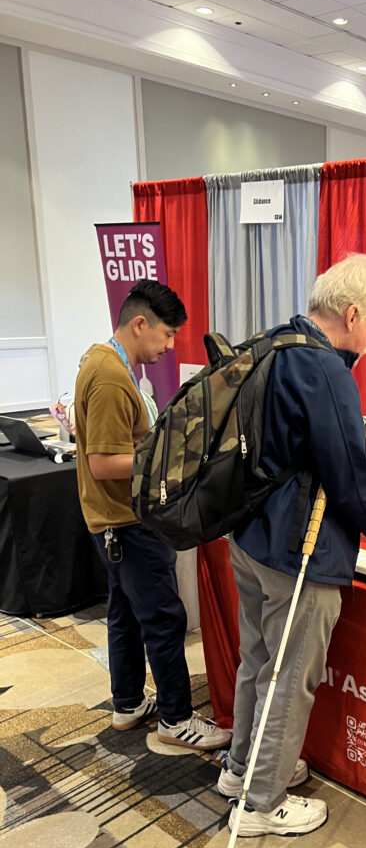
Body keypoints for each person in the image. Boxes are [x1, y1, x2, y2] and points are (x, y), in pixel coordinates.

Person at [214, 253, 366, 838]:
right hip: (300, 551)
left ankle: (241, 771)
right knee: (290, 676)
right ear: (352, 312)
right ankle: (261, 804)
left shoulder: (274, 342)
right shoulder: (326, 370)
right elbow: (351, 477)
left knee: (259, 662)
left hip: (251, 538)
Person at [74, 280, 230, 750]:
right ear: (138, 324)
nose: (168, 346)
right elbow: (104, 464)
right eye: (165, 335)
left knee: (125, 614)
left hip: (116, 521)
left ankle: (128, 704)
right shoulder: (108, 376)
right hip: (126, 521)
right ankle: (177, 719)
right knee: (164, 617)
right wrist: (167, 459)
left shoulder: (105, 362)